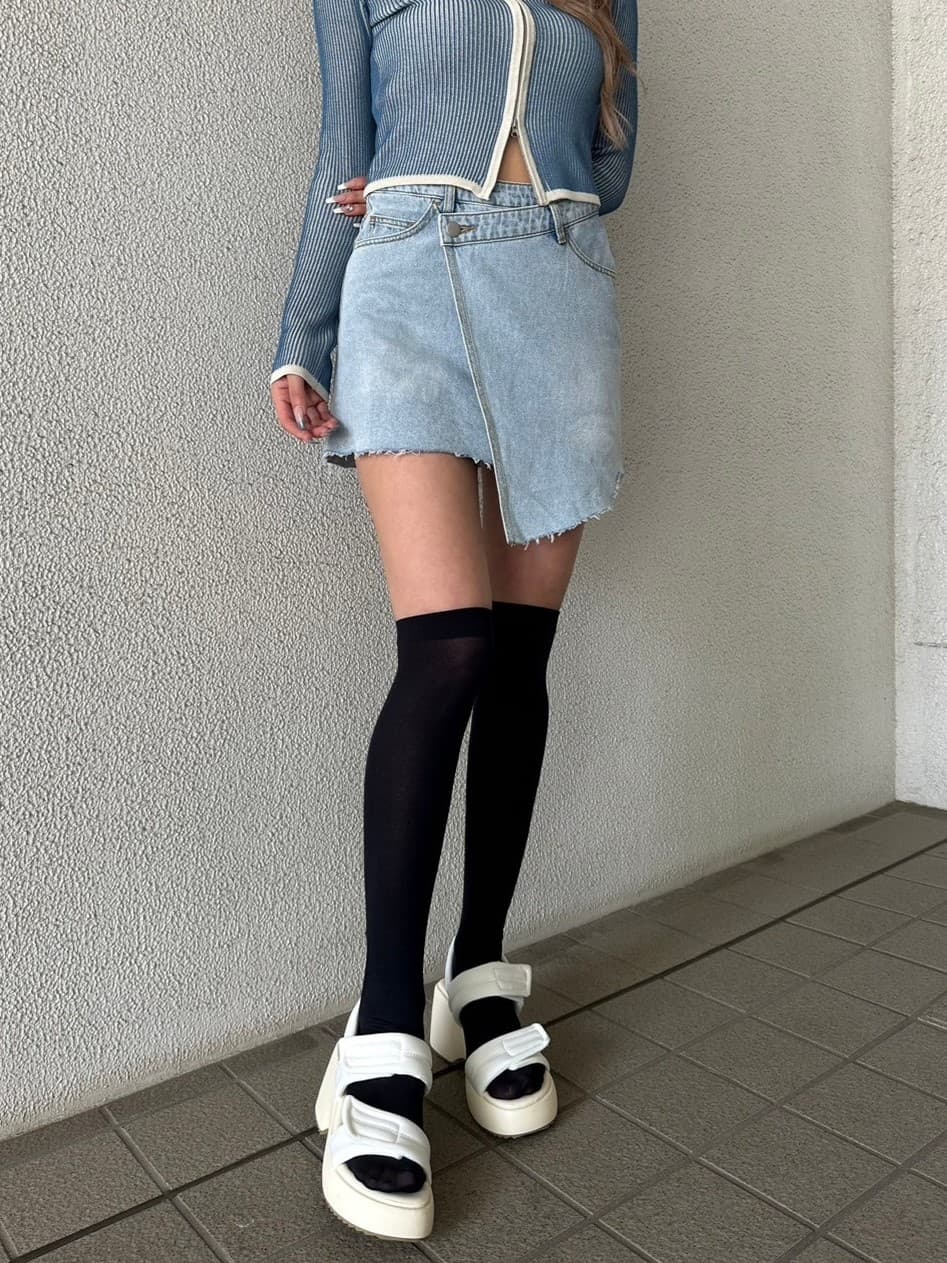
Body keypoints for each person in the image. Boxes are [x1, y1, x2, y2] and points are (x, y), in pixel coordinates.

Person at [269, 0, 639, 1240]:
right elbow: (343, 146)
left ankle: (475, 972)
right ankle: (381, 1022)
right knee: (448, 652)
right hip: (407, 275)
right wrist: (299, 337)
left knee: (519, 659)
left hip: (558, 290)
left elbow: (614, 162)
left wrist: (544, 194)